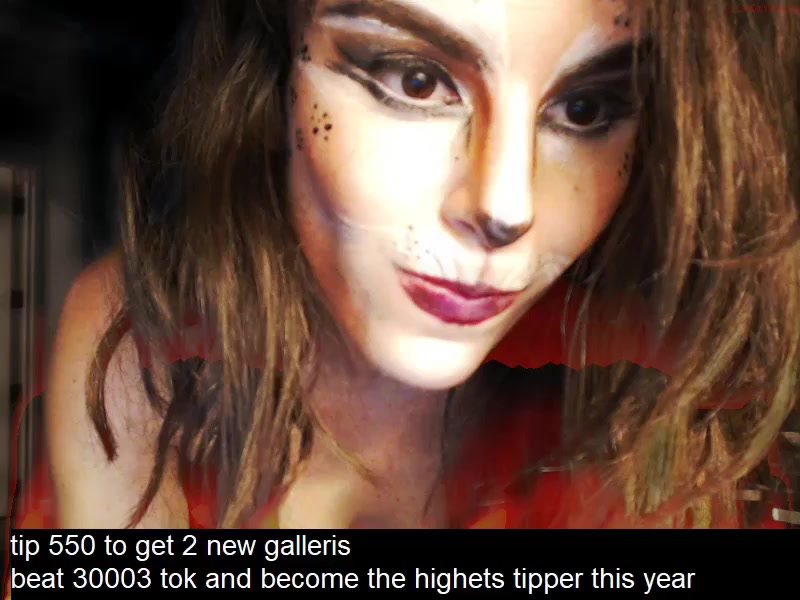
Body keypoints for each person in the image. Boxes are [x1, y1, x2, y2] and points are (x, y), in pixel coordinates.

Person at [42, 0, 798, 529]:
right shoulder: (145, 342)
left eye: (584, 110)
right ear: (269, 78)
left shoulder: (657, 397)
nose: (506, 206)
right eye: (416, 80)